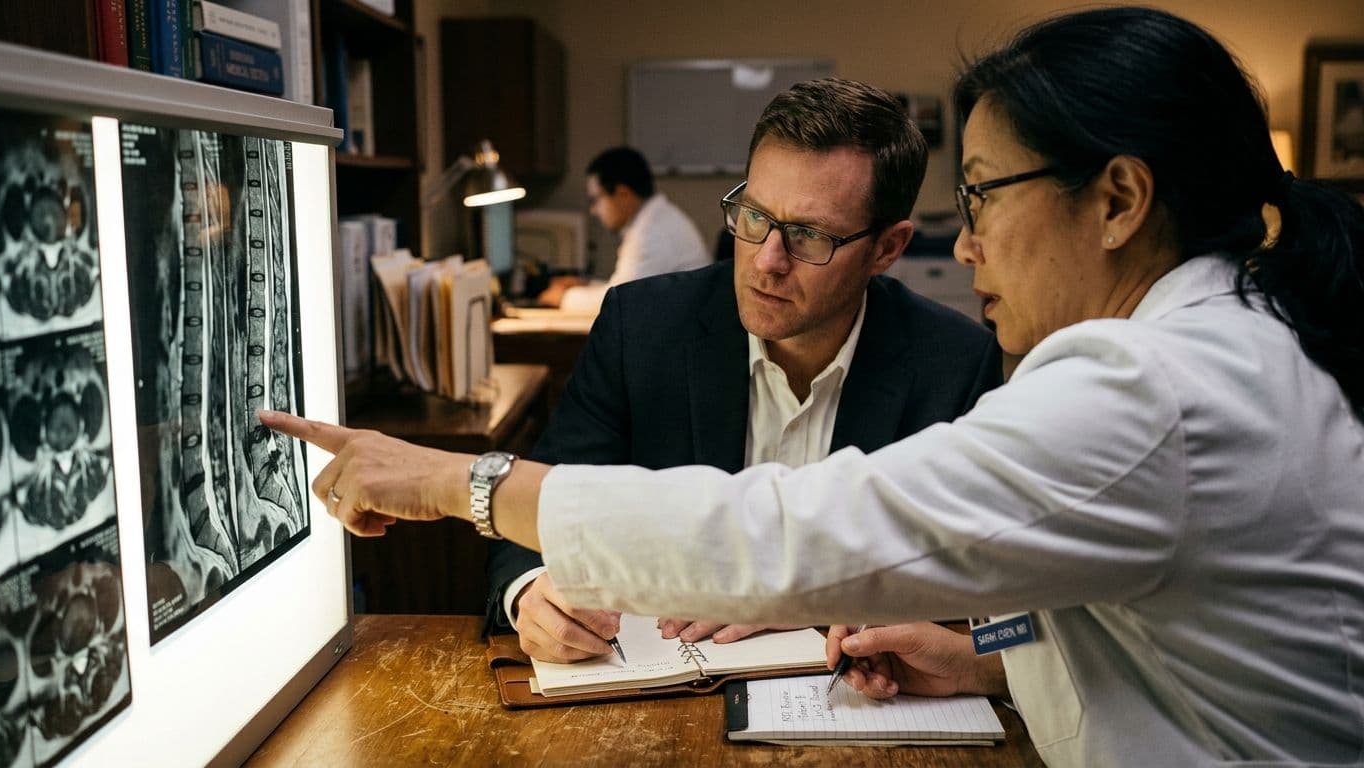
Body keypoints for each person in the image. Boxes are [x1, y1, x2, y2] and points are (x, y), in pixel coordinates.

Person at [262, 6, 1364, 766]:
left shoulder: (1145, 382)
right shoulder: (1235, 339)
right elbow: (1144, 621)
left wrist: (463, 482)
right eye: (754, 219)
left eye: (981, 197)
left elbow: (807, 531)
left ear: (1118, 199)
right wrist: (986, 660)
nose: (968, 247)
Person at [486, 78, 1003, 663]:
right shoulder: (645, 327)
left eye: (808, 235)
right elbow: (542, 501)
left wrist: (809, 598)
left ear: (887, 248)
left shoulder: (955, 364)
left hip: (853, 704)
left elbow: (996, 609)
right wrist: (532, 592)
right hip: (654, 689)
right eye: (754, 216)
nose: (766, 260)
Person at [536, 147, 709, 310]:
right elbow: (625, 287)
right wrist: (586, 286)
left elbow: (624, 302)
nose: (593, 211)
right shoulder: (653, 221)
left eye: (595, 200)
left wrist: (565, 298)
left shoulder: (653, 234)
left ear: (623, 194)